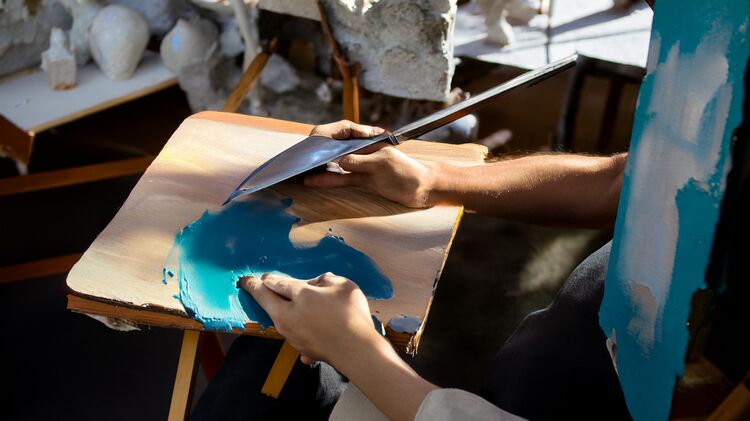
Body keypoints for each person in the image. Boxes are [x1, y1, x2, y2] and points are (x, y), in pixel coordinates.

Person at [191, 120, 632, 420]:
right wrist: (433, 181)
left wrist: (357, 351)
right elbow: (621, 179)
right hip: (532, 380)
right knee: (269, 351)